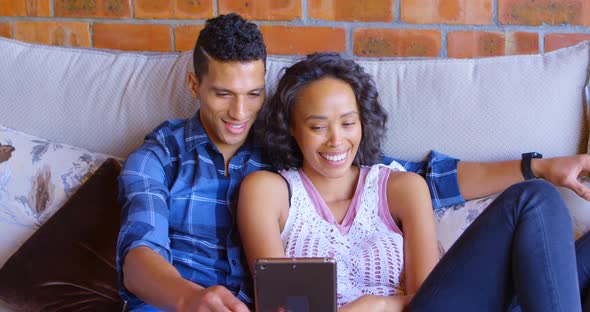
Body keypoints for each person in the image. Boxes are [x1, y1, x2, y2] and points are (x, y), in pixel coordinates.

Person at [116, 12, 590, 312]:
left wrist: (540, 167)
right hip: (184, 302)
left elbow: (420, 178)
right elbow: (138, 257)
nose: (240, 113)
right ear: (195, 86)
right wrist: (189, 298)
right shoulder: (161, 159)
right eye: (223, 94)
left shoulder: (290, 147)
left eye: (253, 94)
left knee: (540, 205)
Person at [237, 52, 590, 311]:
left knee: (536, 199)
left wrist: (376, 307)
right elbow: (278, 306)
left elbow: (429, 294)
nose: (336, 141)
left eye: (348, 123)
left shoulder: (401, 187)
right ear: (291, 130)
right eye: (317, 127)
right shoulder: (267, 192)